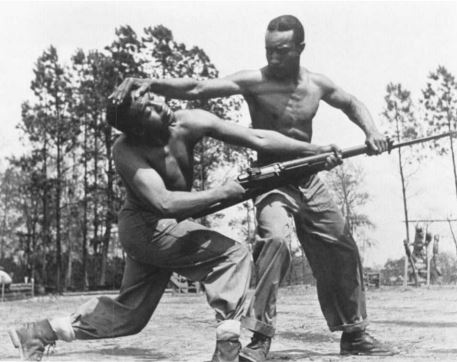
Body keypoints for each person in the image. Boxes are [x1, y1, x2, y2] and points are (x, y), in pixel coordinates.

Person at [110, 14, 394, 361]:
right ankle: (258, 341)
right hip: (271, 178)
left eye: (282, 51)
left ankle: (354, 334)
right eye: (269, 50)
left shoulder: (317, 84)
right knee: (274, 241)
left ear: (300, 49)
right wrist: (148, 82)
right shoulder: (253, 81)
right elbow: (199, 88)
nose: (273, 58)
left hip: (309, 176)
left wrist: (373, 132)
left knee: (341, 245)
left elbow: (352, 103)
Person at [8, 92, 342, 362]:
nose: (160, 104)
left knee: (130, 317)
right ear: (135, 128)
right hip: (145, 228)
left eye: (153, 97)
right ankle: (227, 351)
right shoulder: (126, 150)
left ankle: (38, 333)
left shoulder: (188, 120)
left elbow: (256, 137)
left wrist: (313, 151)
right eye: (148, 109)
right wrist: (224, 191)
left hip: (164, 228)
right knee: (234, 256)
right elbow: (164, 202)